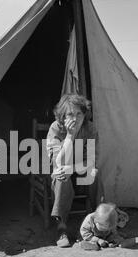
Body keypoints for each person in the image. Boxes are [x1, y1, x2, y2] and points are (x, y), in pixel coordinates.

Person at [46, 94, 97, 248]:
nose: (74, 118)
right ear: (63, 116)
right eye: (70, 114)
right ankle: (61, 227)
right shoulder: (56, 128)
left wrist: (73, 167)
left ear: (84, 114)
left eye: (79, 114)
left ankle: (97, 222)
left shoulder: (90, 128)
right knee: (62, 177)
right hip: (60, 169)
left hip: (80, 169)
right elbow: (58, 163)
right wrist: (70, 135)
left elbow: (91, 160)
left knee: (95, 173)